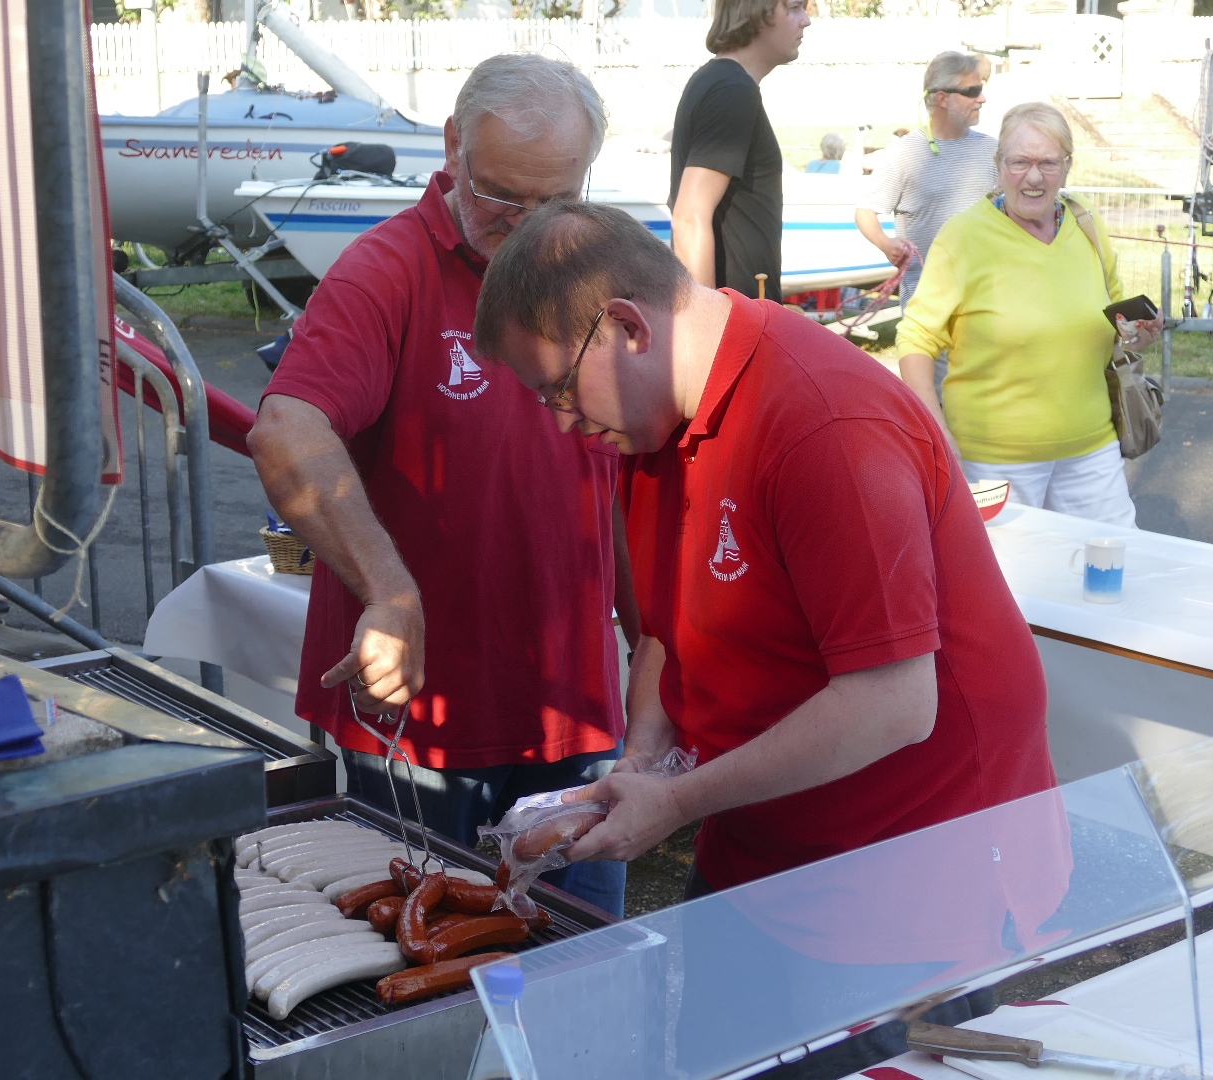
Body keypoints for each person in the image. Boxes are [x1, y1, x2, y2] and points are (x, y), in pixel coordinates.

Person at [470, 199, 1055, 901]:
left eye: (560, 390)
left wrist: (678, 802)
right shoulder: (650, 416)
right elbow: (663, 631)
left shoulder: (826, 425)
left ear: (628, 328)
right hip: (766, 833)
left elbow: (894, 703)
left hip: (920, 858)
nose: (564, 421)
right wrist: (645, 759)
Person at [246, 55, 631, 915]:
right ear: (454, 145)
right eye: (501, 196)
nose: (526, 225)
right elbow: (285, 430)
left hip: (576, 710)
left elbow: (621, 476)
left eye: (554, 200)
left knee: (588, 955)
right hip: (418, 724)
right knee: (415, 961)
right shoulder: (383, 271)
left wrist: (656, 655)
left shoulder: (598, 274)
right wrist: (388, 591)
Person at [894, 102, 1162, 528]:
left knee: (1110, 559)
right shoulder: (963, 236)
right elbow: (916, 338)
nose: (1034, 177)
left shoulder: (1086, 223)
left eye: (1048, 163)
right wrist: (935, 429)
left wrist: (1138, 334)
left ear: (1067, 167)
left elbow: (1114, 318)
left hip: (1092, 449)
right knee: (1005, 571)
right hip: (993, 462)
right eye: (1020, 162)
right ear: (999, 165)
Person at [669, 0, 811, 298]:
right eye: (795, 7)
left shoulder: (718, 81)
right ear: (757, 12)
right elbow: (689, 217)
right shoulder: (732, 90)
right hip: (734, 315)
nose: (806, 20)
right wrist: (706, 322)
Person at [855, 51, 999, 305]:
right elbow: (865, 212)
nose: (982, 98)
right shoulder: (903, 154)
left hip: (986, 303)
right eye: (972, 91)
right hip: (925, 308)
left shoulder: (994, 151)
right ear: (942, 98)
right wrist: (887, 244)